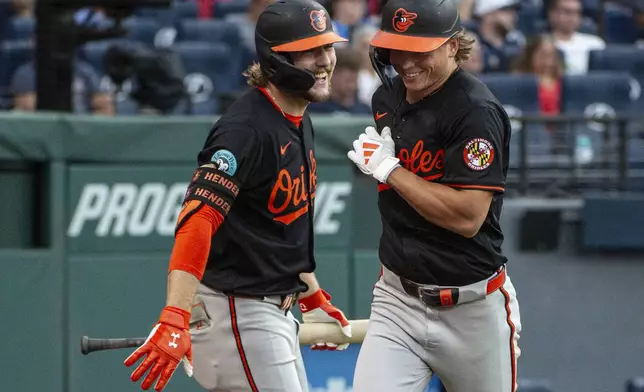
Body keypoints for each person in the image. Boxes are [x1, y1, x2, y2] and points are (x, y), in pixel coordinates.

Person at [123, 1, 351, 391]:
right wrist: (175, 313)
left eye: (328, 47)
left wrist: (311, 295)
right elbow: (197, 220)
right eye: (311, 50)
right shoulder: (244, 129)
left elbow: (277, 229)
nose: (325, 60)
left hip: (270, 312)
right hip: (238, 311)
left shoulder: (297, 115)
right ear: (277, 59)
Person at [346, 0, 522, 391]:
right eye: (397, 47)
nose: (406, 62)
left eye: (419, 50)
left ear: (452, 46)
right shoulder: (386, 99)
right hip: (397, 299)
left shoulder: (475, 111)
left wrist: (391, 171)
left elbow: (467, 218)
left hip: (472, 307)